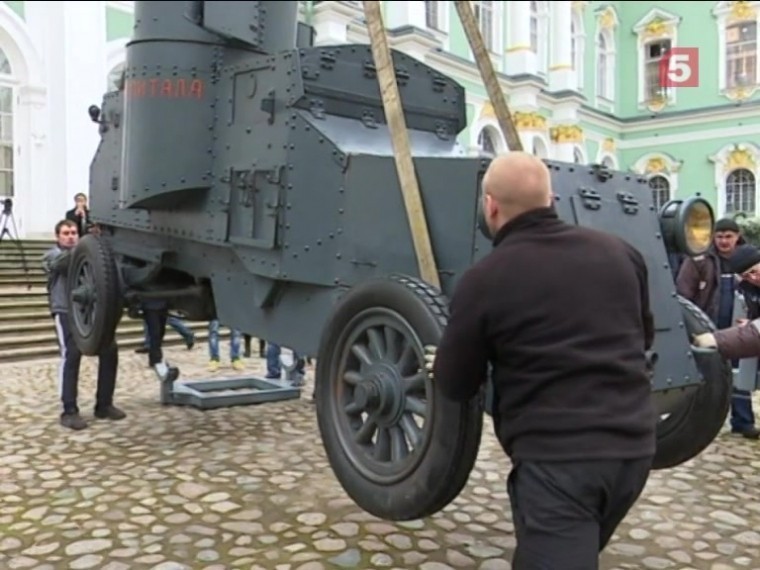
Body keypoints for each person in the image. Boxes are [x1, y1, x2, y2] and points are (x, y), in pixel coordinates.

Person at [424, 152, 656, 569]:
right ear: (551, 198)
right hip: (634, 451)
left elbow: (456, 383)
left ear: (490, 205)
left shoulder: (485, 279)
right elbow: (644, 336)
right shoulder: (620, 253)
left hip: (560, 463)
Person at [676, 218, 758, 439]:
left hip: (738, 327)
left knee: (740, 377)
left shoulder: (749, 258)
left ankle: (743, 421)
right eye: (719, 236)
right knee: (703, 376)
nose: (723, 241)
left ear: (737, 236)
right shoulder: (699, 260)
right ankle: (696, 423)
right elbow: (683, 295)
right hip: (706, 326)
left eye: (728, 236)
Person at [42, 219, 126, 430]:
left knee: (110, 351)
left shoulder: (89, 255)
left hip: (91, 314)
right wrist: (90, 244)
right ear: (57, 237)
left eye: (73, 232)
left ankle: (104, 404)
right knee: (71, 355)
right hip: (65, 311)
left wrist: (97, 243)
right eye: (65, 233)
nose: (70, 236)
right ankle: (69, 410)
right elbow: (60, 264)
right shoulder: (52, 254)